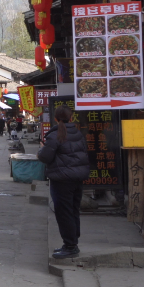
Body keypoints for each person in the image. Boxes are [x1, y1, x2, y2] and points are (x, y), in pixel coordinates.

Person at [37, 105, 90, 259]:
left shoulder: (55, 135)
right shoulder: (77, 133)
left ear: (55, 118)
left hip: (62, 179)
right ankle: (72, 242)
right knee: (73, 210)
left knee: (64, 212)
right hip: (77, 178)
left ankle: (70, 245)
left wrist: (41, 150)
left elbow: (45, 157)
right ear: (71, 118)